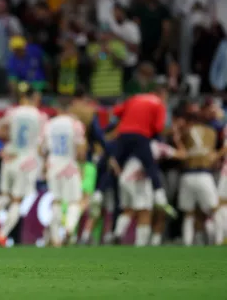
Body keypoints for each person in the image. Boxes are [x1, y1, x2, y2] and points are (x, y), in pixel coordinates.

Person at [91, 85, 175, 218]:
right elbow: (158, 127)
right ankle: (160, 197)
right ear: (162, 95)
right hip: (141, 135)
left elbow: (116, 112)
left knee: (113, 163)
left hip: (123, 135)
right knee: (150, 165)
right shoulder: (159, 104)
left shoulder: (135, 98)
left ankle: (98, 194)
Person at [0, 85, 46, 247]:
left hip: (10, 157)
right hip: (26, 161)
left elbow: (0, 131)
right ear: (34, 98)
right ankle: (2, 235)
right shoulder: (40, 116)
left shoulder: (12, 112)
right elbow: (41, 145)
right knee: (17, 200)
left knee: (4, 196)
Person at [114, 140, 186, 246]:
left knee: (129, 210)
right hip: (138, 179)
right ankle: (141, 245)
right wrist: (178, 140)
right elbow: (182, 155)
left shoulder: (134, 143)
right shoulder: (157, 146)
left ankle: (117, 234)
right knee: (145, 211)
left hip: (124, 178)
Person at [42, 99, 86, 246]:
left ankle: (55, 239)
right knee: (74, 201)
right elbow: (80, 150)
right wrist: (81, 166)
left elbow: (42, 148)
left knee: (56, 201)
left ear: (57, 108)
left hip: (53, 164)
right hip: (70, 165)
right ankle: (69, 227)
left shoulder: (49, 125)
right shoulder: (75, 124)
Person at [178, 112, 223, 246]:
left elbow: (182, 152)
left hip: (187, 175)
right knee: (214, 210)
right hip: (204, 175)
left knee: (189, 213)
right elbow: (213, 153)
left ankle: (187, 244)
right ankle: (219, 241)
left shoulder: (185, 131)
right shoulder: (211, 131)